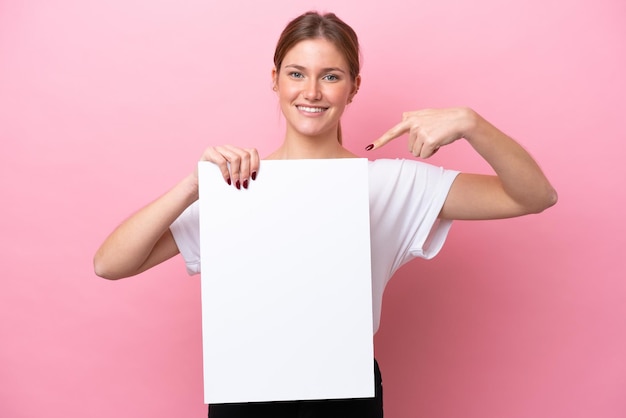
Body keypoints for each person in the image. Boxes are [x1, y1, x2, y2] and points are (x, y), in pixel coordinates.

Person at [93, 11, 557, 418]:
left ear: (355, 86)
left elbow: (532, 196)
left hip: (345, 396)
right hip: (243, 391)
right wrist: (196, 186)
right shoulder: (236, 186)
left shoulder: (389, 184)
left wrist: (472, 124)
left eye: (331, 76)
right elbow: (111, 264)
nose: (311, 91)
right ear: (274, 79)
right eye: (297, 74)